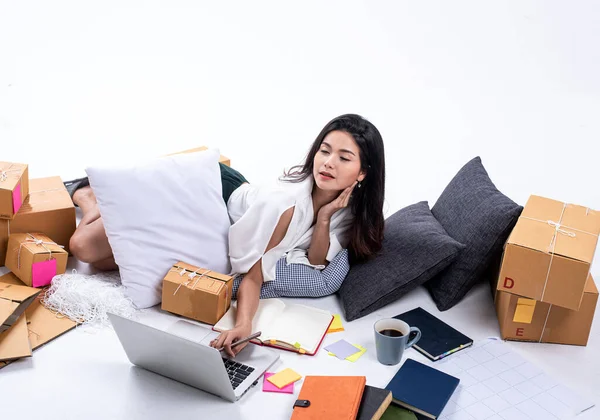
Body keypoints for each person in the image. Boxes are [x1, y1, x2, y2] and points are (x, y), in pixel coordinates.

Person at [66, 113, 386, 357]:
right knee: (82, 248)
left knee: (112, 264)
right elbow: (251, 276)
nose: (328, 163)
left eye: (344, 158)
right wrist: (244, 324)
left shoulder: (346, 211)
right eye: (325, 151)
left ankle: (101, 202)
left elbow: (318, 260)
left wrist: (325, 217)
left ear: (362, 173)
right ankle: (88, 197)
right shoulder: (287, 207)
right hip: (213, 195)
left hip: (227, 210)